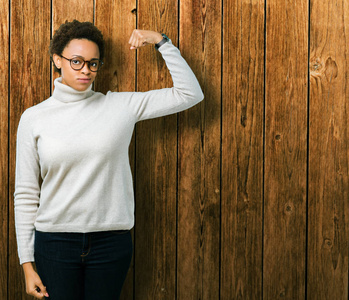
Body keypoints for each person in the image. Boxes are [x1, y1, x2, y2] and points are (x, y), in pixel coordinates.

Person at [14, 20, 203, 300]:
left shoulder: (119, 106)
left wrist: (161, 41)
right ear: (57, 60)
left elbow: (190, 94)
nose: (86, 71)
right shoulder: (34, 117)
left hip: (110, 242)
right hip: (54, 242)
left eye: (93, 63)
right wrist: (27, 264)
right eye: (76, 61)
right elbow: (26, 194)